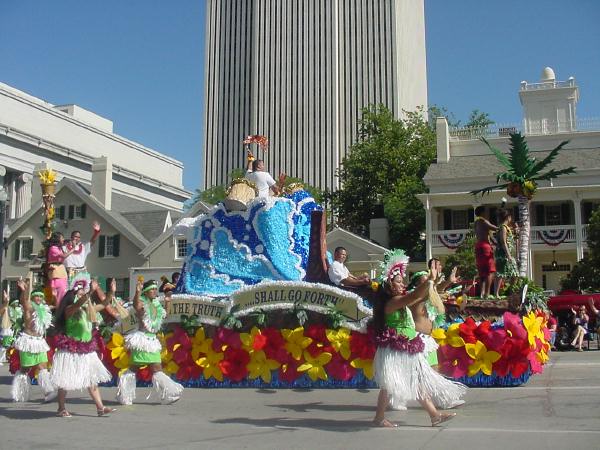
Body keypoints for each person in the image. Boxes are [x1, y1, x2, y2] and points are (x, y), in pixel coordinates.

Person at [372, 249, 466, 427]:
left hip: (405, 347)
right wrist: (429, 279)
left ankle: (434, 415)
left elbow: (422, 296)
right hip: (396, 349)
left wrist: (436, 281)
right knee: (389, 385)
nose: (402, 284)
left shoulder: (400, 301)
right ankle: (380, 418)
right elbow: (415, 295)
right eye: (399, 282)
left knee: (412, 382)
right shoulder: (392, 303)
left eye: (402, 281)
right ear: (389, 286)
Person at [51, 280, 115, 417]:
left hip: (86, 350)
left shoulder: (86, 310)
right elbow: (78, 304)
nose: (83, 297)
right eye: (80, 295)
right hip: (71, 350)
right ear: (73, 298)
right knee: (65, 381)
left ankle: (100, 407)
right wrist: (90, 292)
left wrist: (111, 291)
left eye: (83, 295)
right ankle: (61, 408)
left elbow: (104, 304)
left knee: (91, 379)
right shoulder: (69, 310)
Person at [116, 279, 183, 405]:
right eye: (152, 289)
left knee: (157, 368)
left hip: (152, 340)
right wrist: (137, 292)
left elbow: (164, 315)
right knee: (134, 368)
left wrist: (168, 302)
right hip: (142, 340)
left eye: (155, 289)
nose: (154, 291)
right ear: (146, 292)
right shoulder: (142, 304)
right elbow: (136, 306)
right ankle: (124, 395)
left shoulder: (156, 304)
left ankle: (167, 394)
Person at [10, 280, 57, 402]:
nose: (39, 298)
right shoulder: (29, 307)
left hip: (39, 342)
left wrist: (56, 296)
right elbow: (24, 301)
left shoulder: (44, 308)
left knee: (43, 367)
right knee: (25, 369)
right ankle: (19, 393)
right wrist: (24, 290)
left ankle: (49, 391)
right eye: (37, 296)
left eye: (41, 296)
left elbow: (55, 305)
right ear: (32, 297)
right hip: (28, 341)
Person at [63, 222, 101, 290]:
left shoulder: (83, 247)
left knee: (85, 292)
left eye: (78, 237)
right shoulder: (64, 247)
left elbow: (92, 242)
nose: (77, 238)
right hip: (70, 273)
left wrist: (96, 232)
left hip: (82, 272)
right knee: (71, 292)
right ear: (71, 237)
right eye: (75, 236)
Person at [473, 206, 498, 299]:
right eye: (486, 211)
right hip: (485, 247)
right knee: (489, 271)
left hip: (478, 245)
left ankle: (481, 293)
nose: (487, 214)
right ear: (483, 212)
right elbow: (496, 228)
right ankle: (487, 293)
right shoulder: (484, 221)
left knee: (482, 272)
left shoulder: (476, 223)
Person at [47, 232, 76, 306]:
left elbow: (65, 246)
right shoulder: (53, 248)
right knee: (59, 291)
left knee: (63, 290)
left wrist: (70, 243)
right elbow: (64, 256)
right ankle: (59, 307)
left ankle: (61, 306)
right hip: (56, 271)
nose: (63, 239)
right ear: (57, 239)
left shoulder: (59, 248)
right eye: (62, 237)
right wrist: (73, 249)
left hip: (61, 271)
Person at [493, 209, 519, 297]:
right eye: (510, 217)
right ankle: (496, 293)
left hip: (508, 254)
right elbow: (503, 242)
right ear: (508, 217)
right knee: (500, 273)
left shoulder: (507, 228)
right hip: (502, 254)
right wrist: (508, 255)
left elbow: (512, 239)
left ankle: (511, 292)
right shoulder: (503, 227)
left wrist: (516, 231)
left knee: (514, 273)